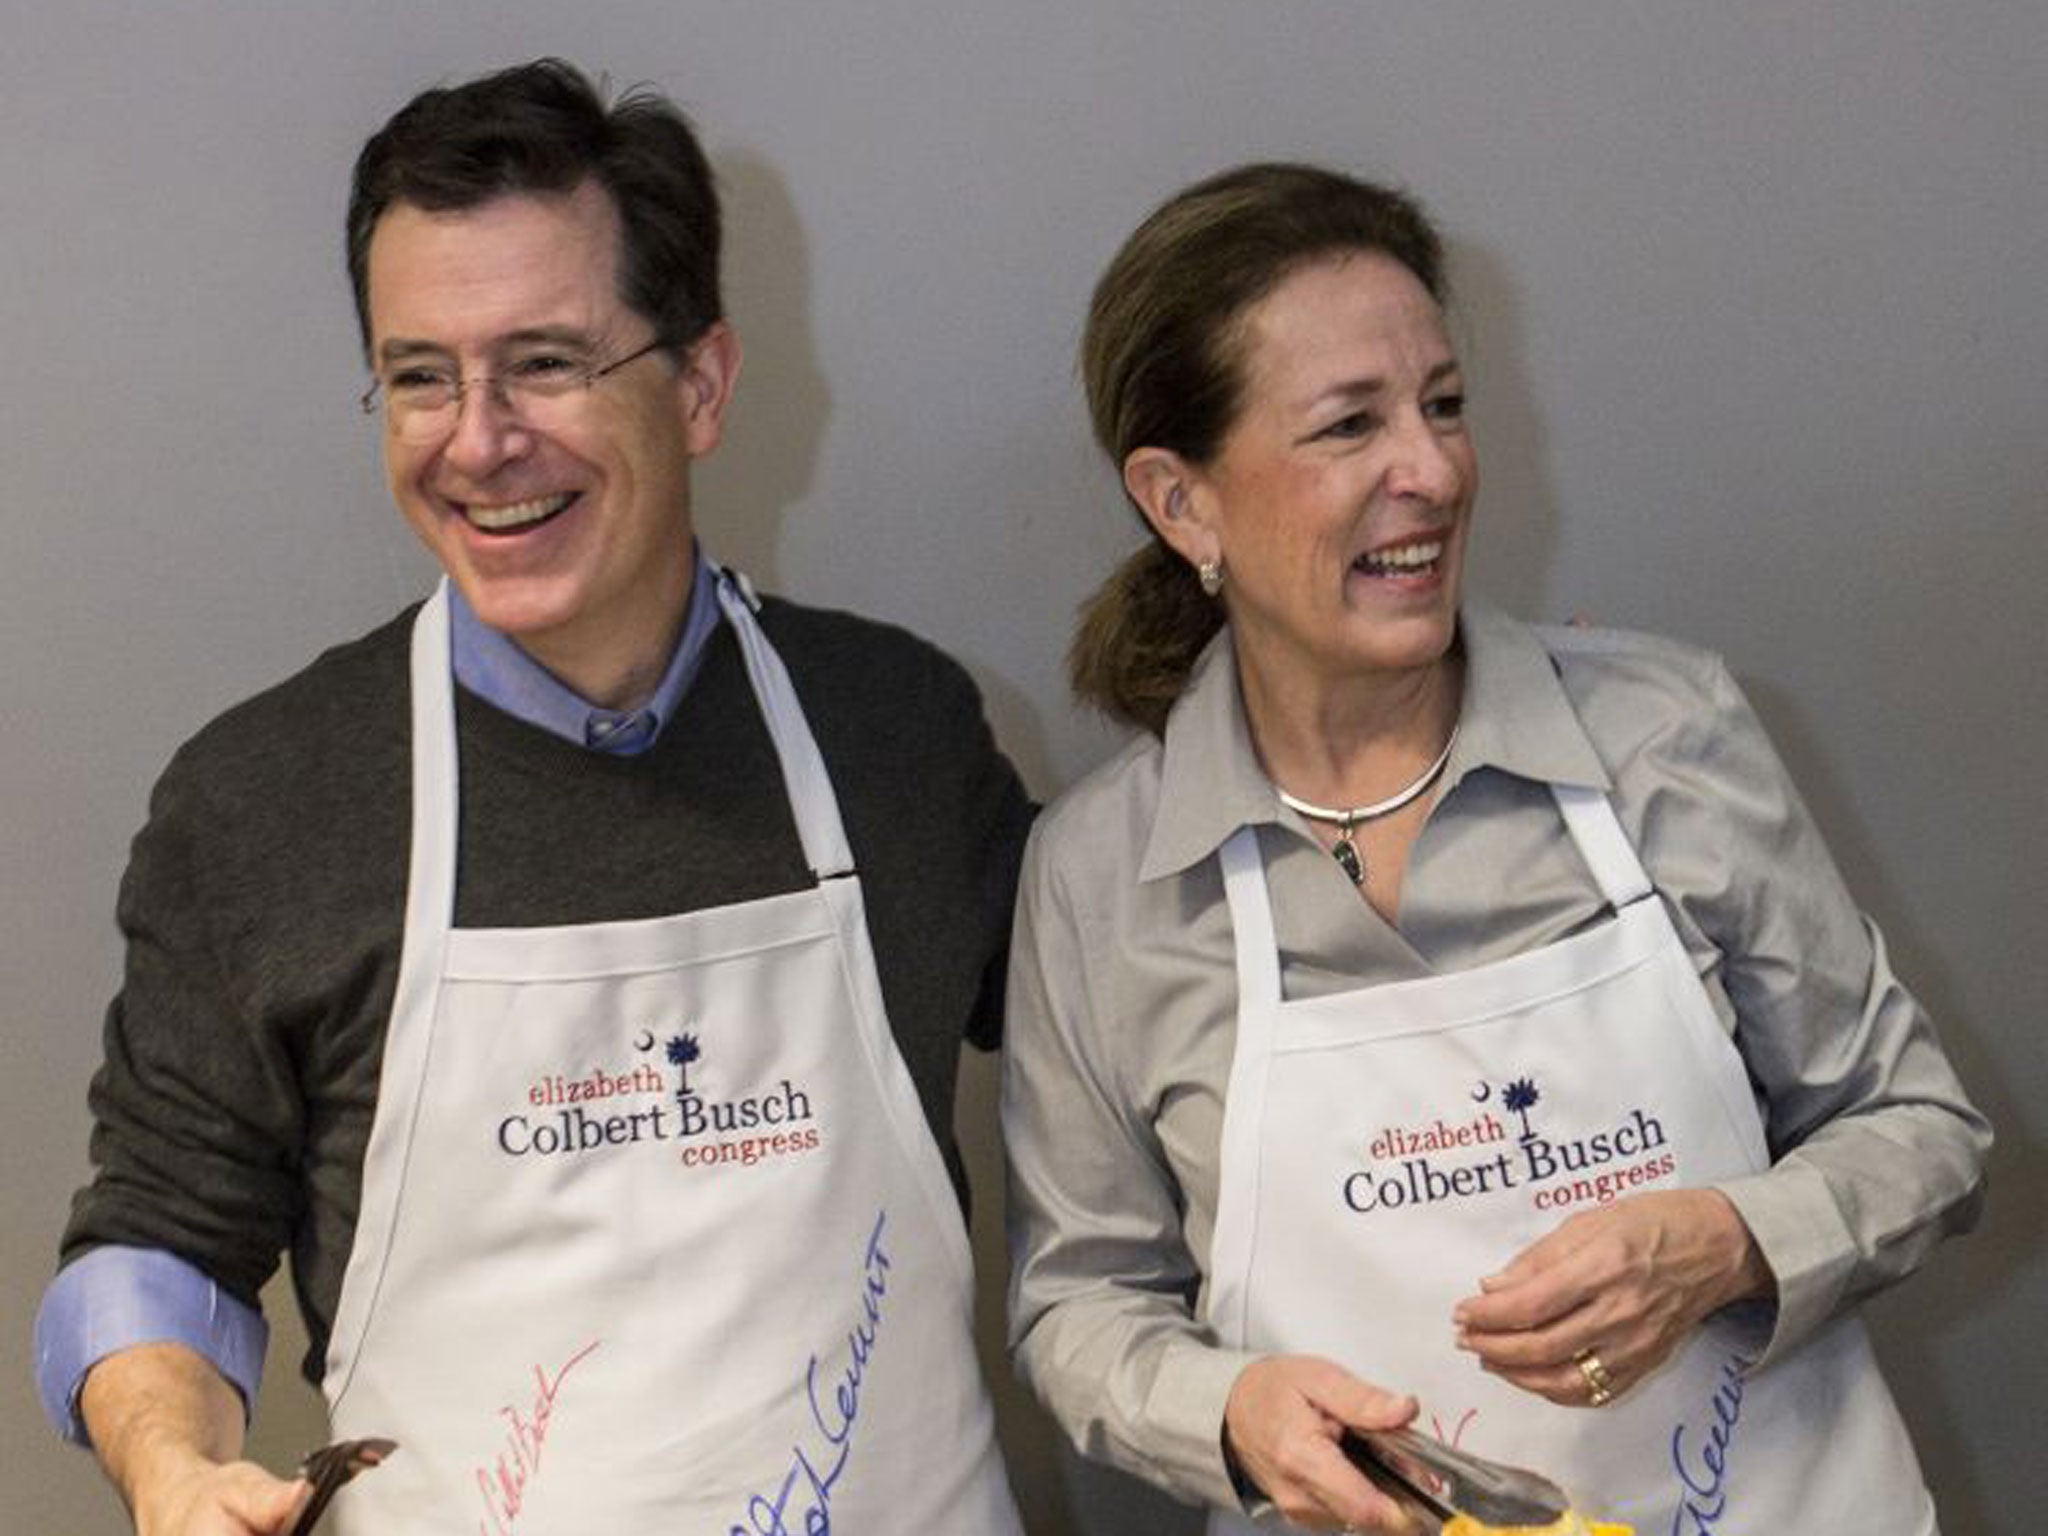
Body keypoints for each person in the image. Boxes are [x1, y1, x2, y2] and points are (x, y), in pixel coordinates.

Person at [36, 59, 1032, 1535]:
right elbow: (157, 1245)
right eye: (422, 373)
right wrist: (171, 1465)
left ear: (700, 384)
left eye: (547, 362)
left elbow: (1143, 1046)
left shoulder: (898, 732)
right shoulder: (258, 802)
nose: (479, 440)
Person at [1002, 162, 1990, 1534]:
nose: (1433, 470)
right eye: (1350, 426)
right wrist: (1224, 1415)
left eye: (1444, 405)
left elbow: (1925, 1129)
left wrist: (1727, 1244)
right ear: (1184, 504)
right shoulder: (1098, 874)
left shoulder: (1665, 735)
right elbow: (1079, 1304)